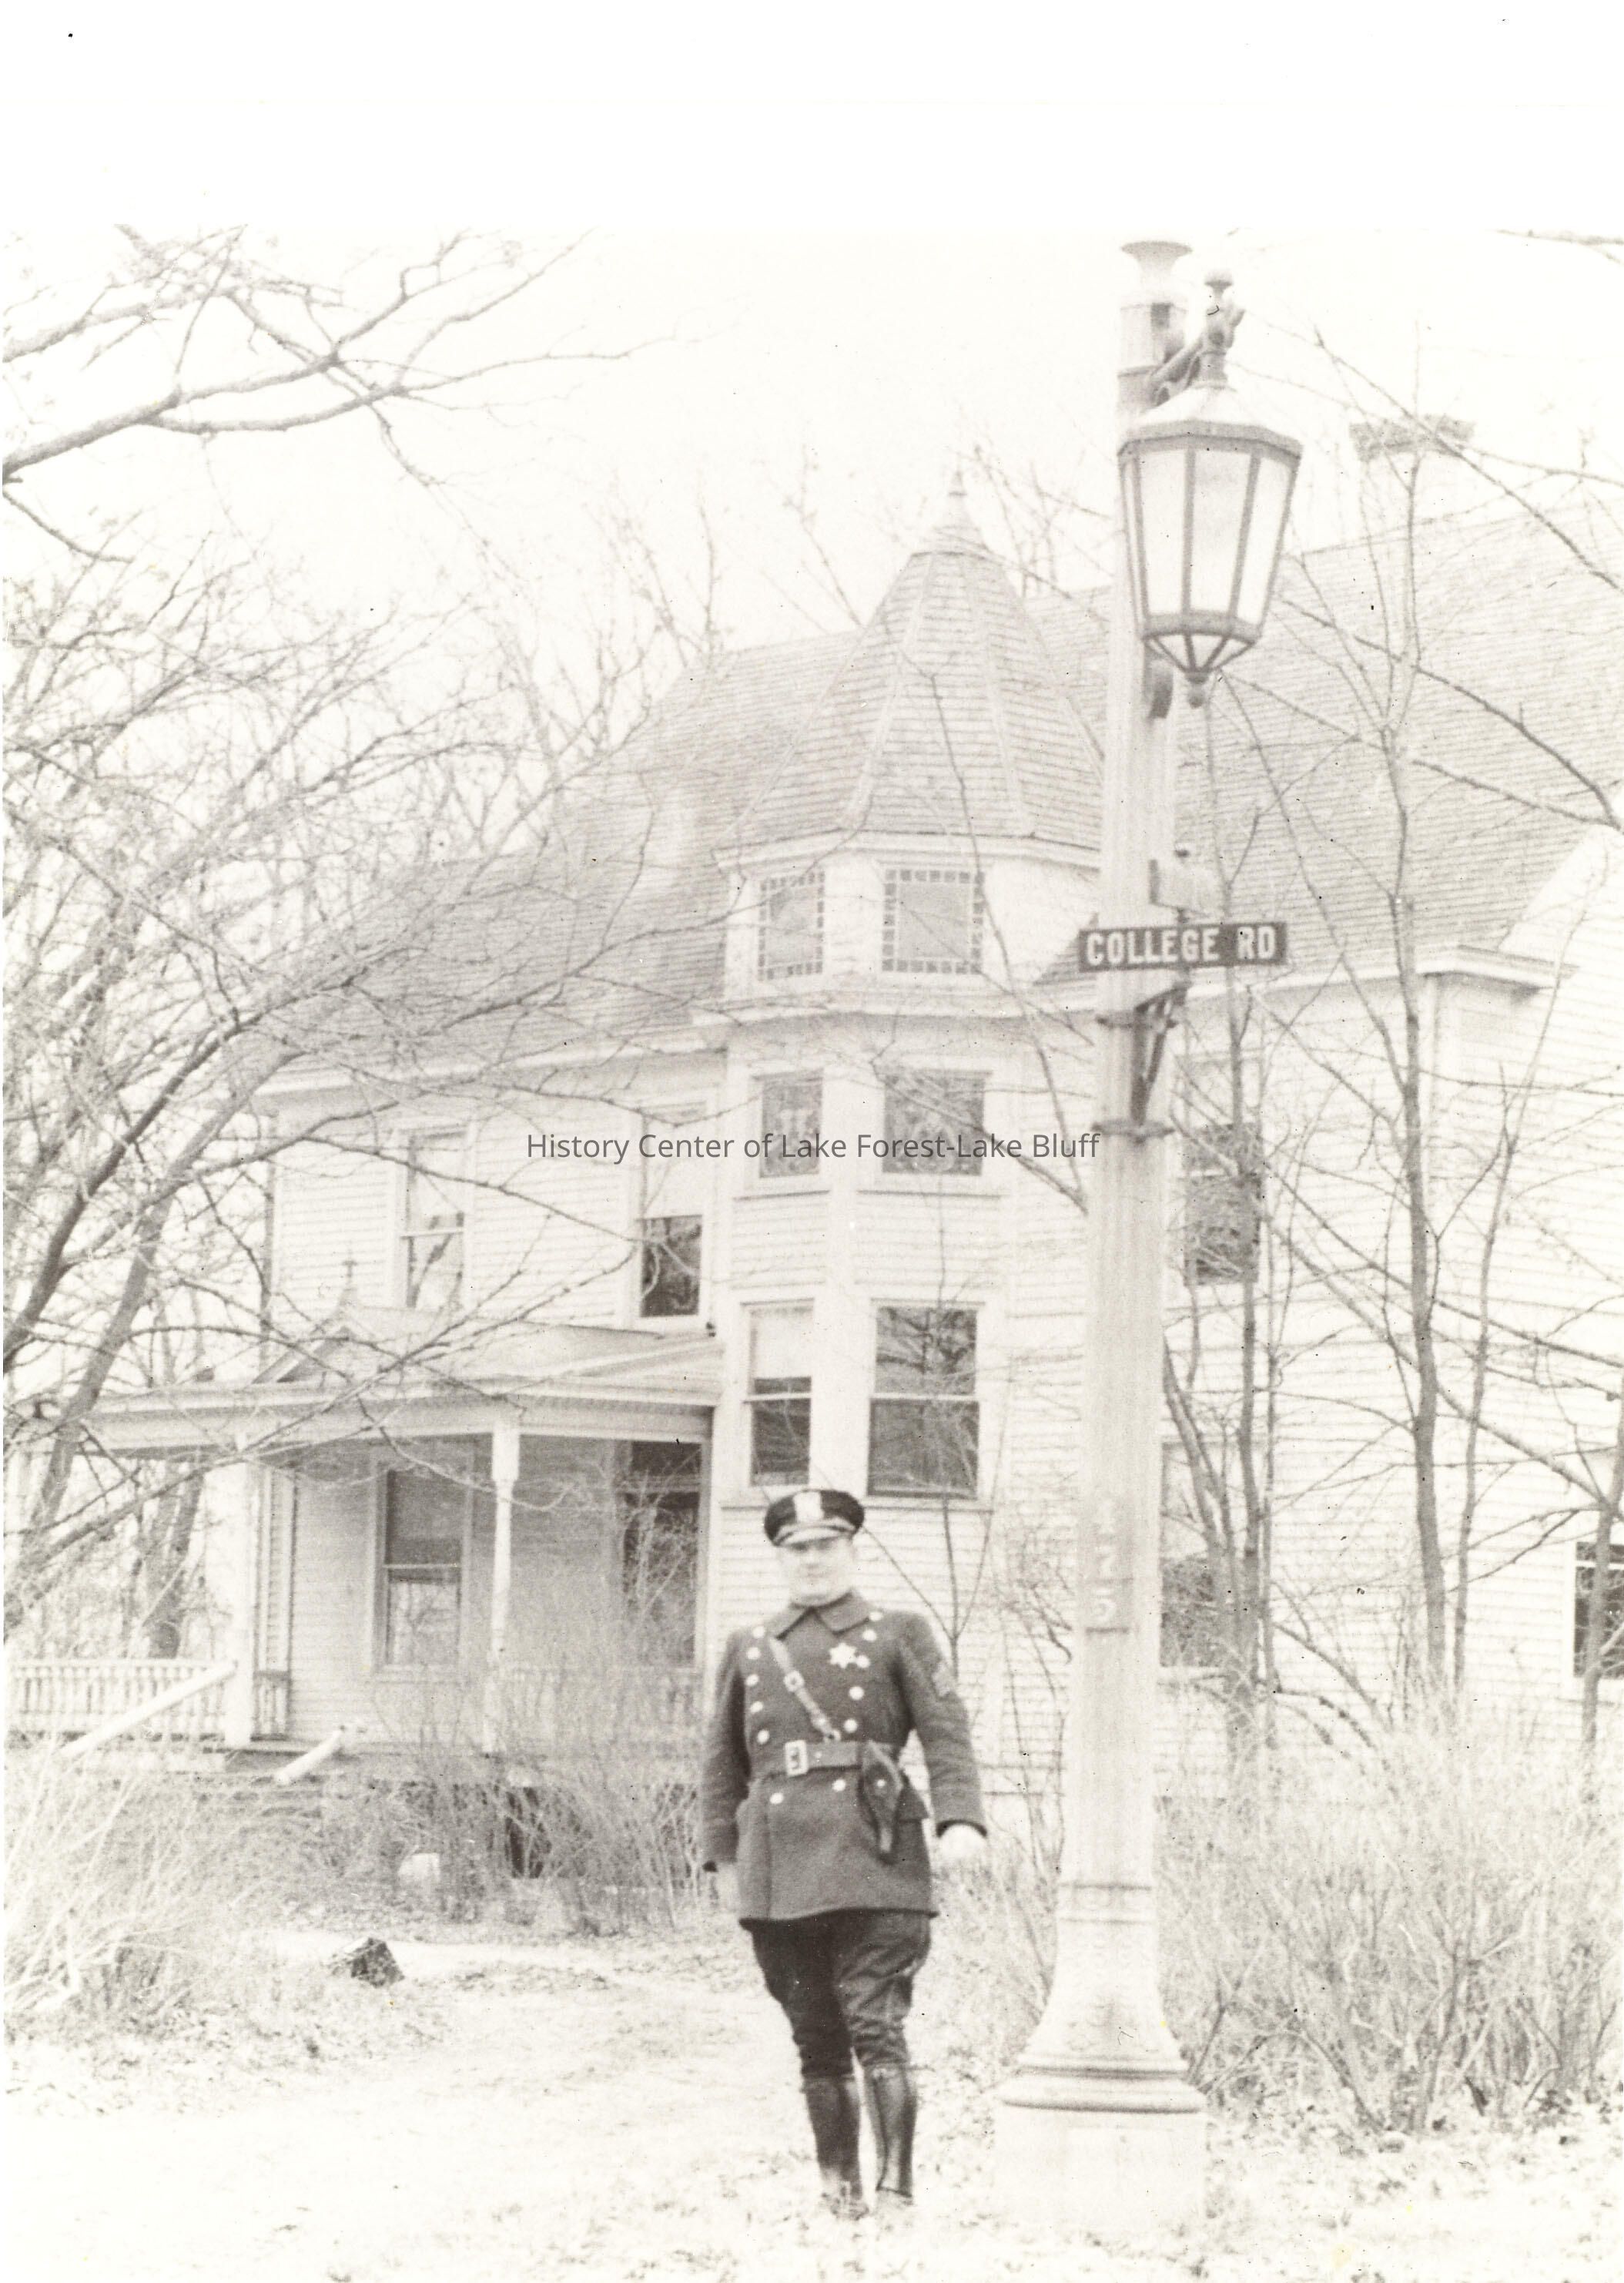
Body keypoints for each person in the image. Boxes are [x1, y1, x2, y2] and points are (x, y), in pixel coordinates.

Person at [699, 1486, 987, 2218]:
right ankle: (839, 2192)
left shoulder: (898, 1632)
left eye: (826, 1545)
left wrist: (960, 1819)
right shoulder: (750, 1646)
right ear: (780, 1558)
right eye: (797, 1549)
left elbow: (946, 1731)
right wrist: (723, 1860)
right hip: (779, 1864)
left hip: (874, 1850)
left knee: (874, 2022)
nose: (812, 1560)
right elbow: (720, 1763)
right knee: (814, 2034)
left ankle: (895, 2192)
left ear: (851, 1549)